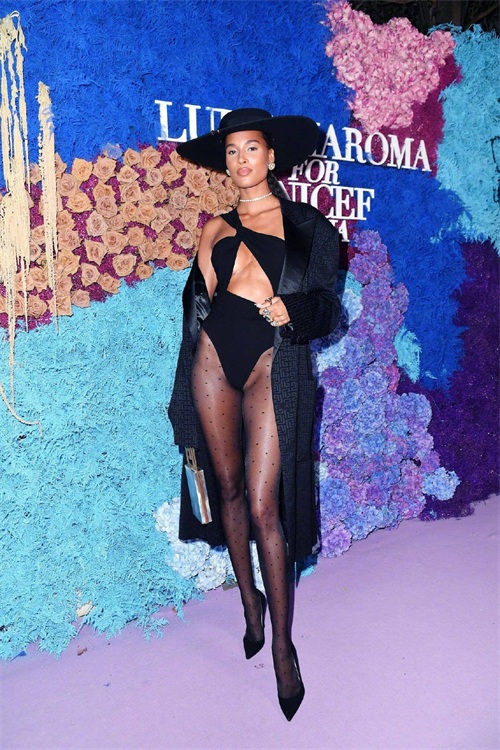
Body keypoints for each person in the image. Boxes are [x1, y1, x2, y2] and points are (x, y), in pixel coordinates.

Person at [168, 108, 341, 720]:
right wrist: (180, 397)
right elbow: (198, 311)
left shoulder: (309, 228)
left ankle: (284, 652)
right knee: (228, 490)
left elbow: (329, 309)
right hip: (214, 362)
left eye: (252, 149)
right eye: (232, 151)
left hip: (274, 364)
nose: (242, 160)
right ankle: (250, 606)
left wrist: (296, 310)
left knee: (266, 505)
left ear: (271, 157)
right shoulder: (212, 228)